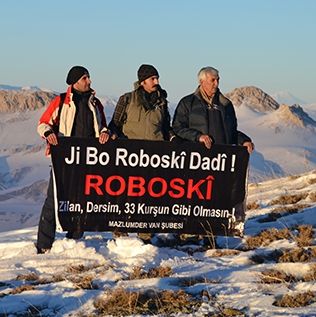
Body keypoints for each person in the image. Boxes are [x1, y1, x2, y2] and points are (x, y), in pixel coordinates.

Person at [171, 66, 254, 246]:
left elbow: (232, 132)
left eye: (217, 80)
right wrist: (198, 137)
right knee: (193, 198)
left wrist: (244, 141)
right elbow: (177, 128)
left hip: (219, 162)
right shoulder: (188, 103)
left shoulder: (225, 104)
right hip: (195, 160)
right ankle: (191, 236)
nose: (216, 84)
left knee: (215, 199)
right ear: (202, 82)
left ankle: (211, 236)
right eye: (213, 80)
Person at [35, 66, 110, 254]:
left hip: (89, 159)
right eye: (85, 78)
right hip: (64, 160)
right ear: (74, 81)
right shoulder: (61, 102)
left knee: (82, 201)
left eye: (89, 77)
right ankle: (44, 245)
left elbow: (103, 126)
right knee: (54, 200)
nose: (89, 81)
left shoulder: (95, 103)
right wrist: (48, 133)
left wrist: (104, 134)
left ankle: (73, 241)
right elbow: (43, 124)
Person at [108, 64, 171, 243]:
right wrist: (111, 134)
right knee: (126, 195)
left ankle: (146, 235)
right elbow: (116, 124)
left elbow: (166, 128)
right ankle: (120, 232)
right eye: (153, 79)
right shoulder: (127, 99)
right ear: (142, 81)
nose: (156, 82)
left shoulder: (162, 102)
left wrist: (174, 141)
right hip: (131, 159)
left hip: (155, 158)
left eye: (157, 78)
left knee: (150, 196)